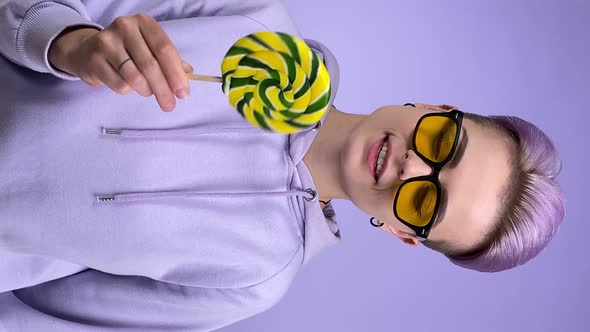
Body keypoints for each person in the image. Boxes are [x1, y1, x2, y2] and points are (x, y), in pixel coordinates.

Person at [0, 0, 565, 331]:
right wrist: (66, 41)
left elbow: (43, 317)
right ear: (437, 108)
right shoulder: (261, 24)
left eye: (424, 202)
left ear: (401, 233)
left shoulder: (254, 278)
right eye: (442, 141)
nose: (412, 165)